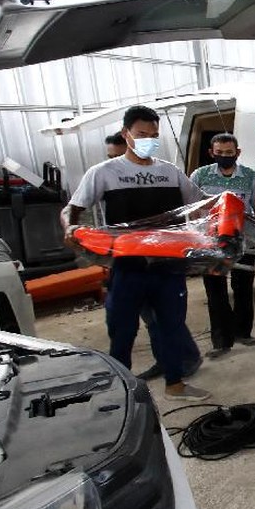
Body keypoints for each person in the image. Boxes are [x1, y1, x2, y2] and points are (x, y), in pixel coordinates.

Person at [62, 105, 211, 401]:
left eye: (154, 135)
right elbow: (72, 209)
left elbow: (201, 205)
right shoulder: (105, 173)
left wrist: (227, 209)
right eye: (141, 134)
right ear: (126, 134)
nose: (148, 140)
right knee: (122, 329)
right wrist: (70, 228)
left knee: (171, 326)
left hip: (168, 267)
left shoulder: (170, 172)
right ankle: (123, 393)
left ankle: (175, 384)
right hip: (128, 267)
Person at [101, 132, 203, 381]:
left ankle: (185, 359)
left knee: (163, 317)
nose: (115, 163)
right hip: (128, 259)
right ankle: (168, 361)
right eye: (111, 157)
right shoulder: (107, 177)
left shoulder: (161, 177)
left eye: (118, 156)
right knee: (149, 317)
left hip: (159, 260)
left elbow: (196, 204)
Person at [190, 133, 255, 358]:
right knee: (216, 292)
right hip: (211, 243)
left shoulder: (250, 176)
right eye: (219, 153)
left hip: (243, 241)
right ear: (211, 153)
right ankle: (221, 341)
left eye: (229, 153)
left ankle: (243, 332)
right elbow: (192, 208)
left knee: (243, 288)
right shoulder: (200, 175)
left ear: (237, 153)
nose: (224, 156)